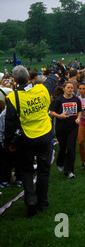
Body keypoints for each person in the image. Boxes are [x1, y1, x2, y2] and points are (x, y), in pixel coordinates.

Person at [4, 66, 59, 216]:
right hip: (45, 135)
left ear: (14, 80)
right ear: (29, 77)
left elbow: (10, 123)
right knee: (43, 171)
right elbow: (53, 79)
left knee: (26, 170)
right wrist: (53, 71)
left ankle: (30, 199)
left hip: (26, 138)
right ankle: (43, 202)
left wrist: (9, 142)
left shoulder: (13, 98)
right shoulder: (42, 90)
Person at [49, 81, 82, 179]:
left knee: (71, 148)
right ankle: (60, 162)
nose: (70, 89)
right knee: (63, 148)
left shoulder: (76, 99)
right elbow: (51, 112)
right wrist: (60, 116)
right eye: (68, 87)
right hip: (61, 127)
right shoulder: (58, 100)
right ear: (64, 89)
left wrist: (78, 118)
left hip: (73, 127)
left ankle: (69, 171)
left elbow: (79, 111)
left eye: (72, 88)